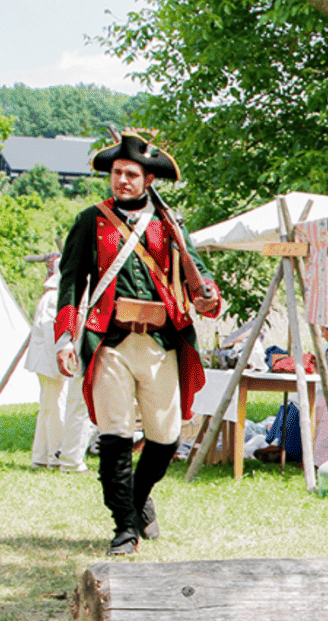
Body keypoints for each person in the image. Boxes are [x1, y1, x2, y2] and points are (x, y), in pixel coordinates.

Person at [55, 132, 222, 555]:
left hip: (160, 342)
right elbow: (71, 284)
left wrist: (208, 294)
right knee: (113, 435)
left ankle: (135, 497)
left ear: (148, 180)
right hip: (110, 340)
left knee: (165, 439)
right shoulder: (90, 221)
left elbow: (197, 274)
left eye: (131, 174)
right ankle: (124, 527)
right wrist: (64, 336)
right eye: (116, 173)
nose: (122, 181)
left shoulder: (170, 225)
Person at [24, 253, 92, 473]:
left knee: (49, 407)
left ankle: (42, 455)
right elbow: (52, 331)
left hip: (49, 358)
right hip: (50, 359)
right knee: (55, 408)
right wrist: (62, 361)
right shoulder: (54, 298)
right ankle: (55, 453)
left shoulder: (53, 296)